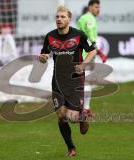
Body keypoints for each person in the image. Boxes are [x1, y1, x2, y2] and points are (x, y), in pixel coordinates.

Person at [39, 5, 96, 157]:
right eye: (57, 17)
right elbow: (44, 54)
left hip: (75, 80)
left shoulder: (79, 35)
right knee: (60, 115)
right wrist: (42, 58)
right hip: (57, 80)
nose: (59, 19)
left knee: (71, 118)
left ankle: (82, 117)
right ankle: (71, 148)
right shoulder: (50, 36)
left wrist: (83, 65)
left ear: (69, 19)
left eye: (63, 17)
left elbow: (92, 50)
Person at [77, 0, 106, 134]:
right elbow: (90, 38)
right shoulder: (89, 19)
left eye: (99, 7)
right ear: (90, 7)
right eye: (96, 6)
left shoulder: (83, 18)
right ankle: (83, 109)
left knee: (84, 82)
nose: (98, 9)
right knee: (86, 82)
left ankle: (84, 109)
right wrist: (99, 52)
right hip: (86, 54)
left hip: (82, 53)